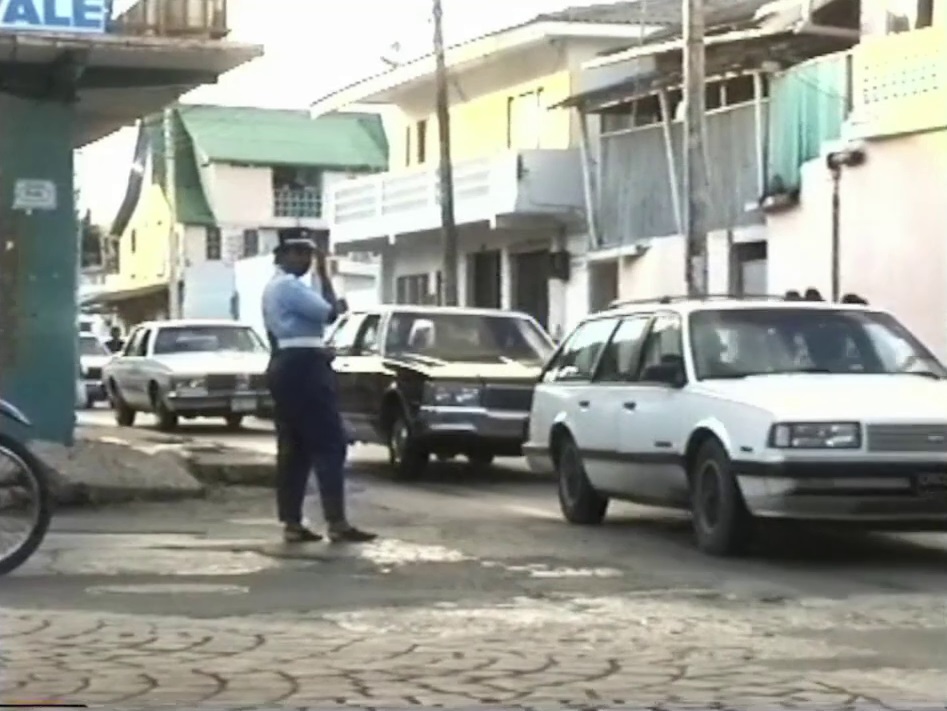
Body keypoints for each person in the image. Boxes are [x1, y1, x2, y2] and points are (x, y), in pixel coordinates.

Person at [262, 229, 375, 544]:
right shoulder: (289, 286)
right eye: (298, 252)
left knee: (294, 448)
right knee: (329, 443)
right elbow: (331, 312)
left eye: (308, 254)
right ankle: (336, 523)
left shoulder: (275, 288)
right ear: (281, 255)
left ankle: (292, 522)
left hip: (287, 362)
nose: (305, 260)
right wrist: (325, 274)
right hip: (304, 367)